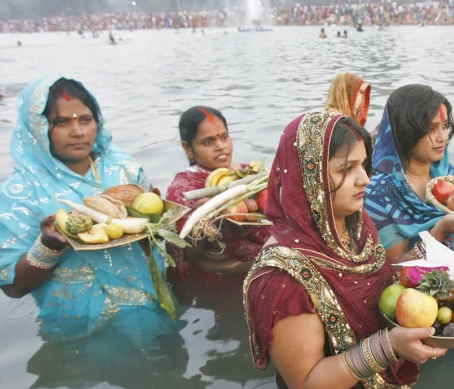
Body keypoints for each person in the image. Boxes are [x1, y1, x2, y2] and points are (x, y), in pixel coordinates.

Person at [244, 112, 444, 389]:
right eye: (346, 169)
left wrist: (439, 234)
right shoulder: (283, 275)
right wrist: (389, 347)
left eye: (363, 165)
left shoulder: (354, 224)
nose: (365, 178)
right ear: (309, 179)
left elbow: (388, 284)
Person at [0, 76, 177, 342]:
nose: (78, 132)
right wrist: (48, 246)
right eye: (61, 122)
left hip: (151, 310)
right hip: (78, 329)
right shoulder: (20, 192)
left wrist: (157, 223)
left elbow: (156, 244)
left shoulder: (124, 170)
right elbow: (13, 287)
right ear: (37, 127)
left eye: (85, 119)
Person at [364, 84, 454, 263]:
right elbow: (396, 268)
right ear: (405, 131)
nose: (443, 137)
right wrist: (440, 230)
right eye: (431, 129)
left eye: (445, 125)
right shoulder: (379, 193)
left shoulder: (450, 176)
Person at [165, 106, 270, 283]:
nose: (221, 147)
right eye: (208, 142)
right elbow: (188, 254)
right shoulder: (184, 190)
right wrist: (202, 224)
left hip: (259, 270)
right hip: (215, 282)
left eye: (224, 137)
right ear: (188, 148)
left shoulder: (250, 173)